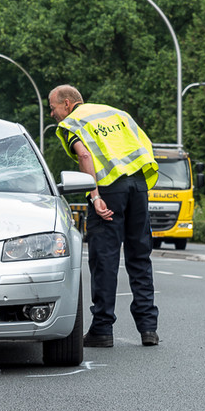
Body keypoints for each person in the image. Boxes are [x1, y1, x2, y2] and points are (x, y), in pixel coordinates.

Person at [48, 84, 160, 348]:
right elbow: (145, 144)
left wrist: (95, 196)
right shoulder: (117, 113)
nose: (52, 114)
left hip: (109, 190)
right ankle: (148, 329)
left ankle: (102, 330)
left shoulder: (72, 123)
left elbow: (85, 155)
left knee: (104, 260)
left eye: (52, 108)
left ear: (66, 103)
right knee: (140, 256)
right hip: (138, 185)